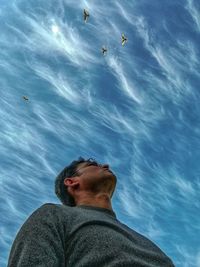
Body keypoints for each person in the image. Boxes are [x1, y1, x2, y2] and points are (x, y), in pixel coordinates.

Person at [8, 157, 175, 266]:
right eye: (92, 165)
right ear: (71, 182)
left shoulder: (142, 239)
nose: (106, 165)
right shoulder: (53, 215)